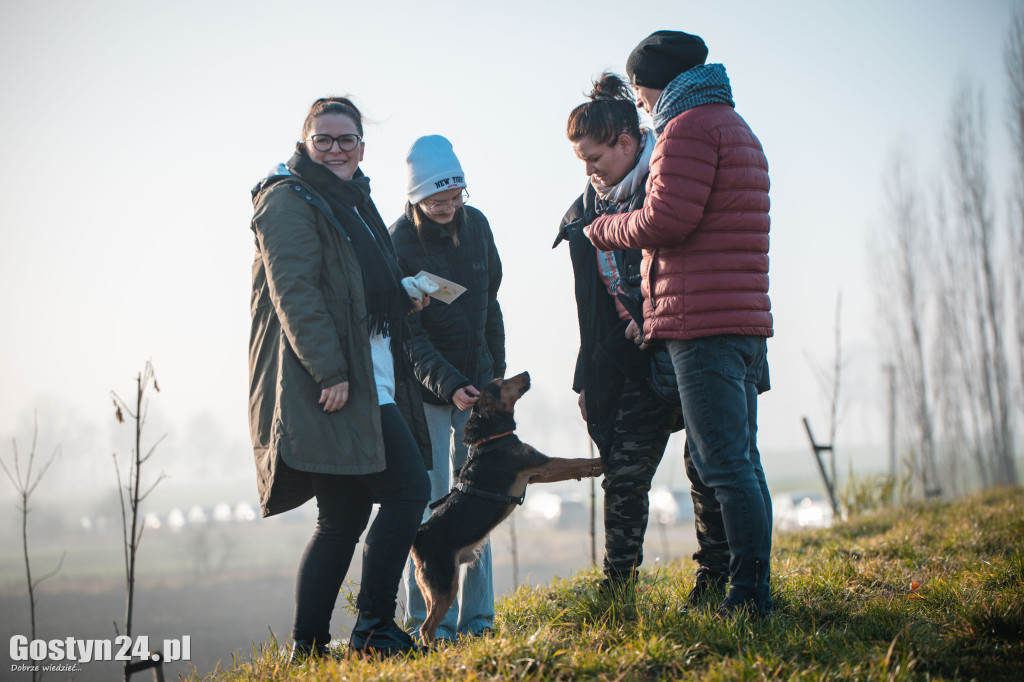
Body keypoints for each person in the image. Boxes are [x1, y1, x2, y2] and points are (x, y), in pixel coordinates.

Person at [584, 31, 774, 619]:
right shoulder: (734, 125)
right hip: (739, 318)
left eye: (641, 91)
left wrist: (604, 229)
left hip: (702, 321)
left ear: (654, 82)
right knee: (741, 460)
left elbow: (666, 219)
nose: (640, 104)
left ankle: (746, 597)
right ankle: (752, 588)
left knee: (723, 465)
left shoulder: (687, 127)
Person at [248, 96, 433, 659]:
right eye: (323, 139)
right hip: (331, 381)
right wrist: (329, 369)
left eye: (346, 139)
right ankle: (374, 627)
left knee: (344, 515)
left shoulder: (350, 199)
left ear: (360, 146)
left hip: (363, 369)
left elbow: (351, 286)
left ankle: (307, 648)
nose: (335, 149)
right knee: (409, 489)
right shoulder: (288, 201)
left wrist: (402, 298)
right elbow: (295, 294)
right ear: (305, 143)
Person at [554, 73, 712, 593]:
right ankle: (617, 589)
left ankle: (718, 581)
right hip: (632, 363)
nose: (589, 171)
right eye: (581, 161)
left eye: (595, 158)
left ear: (627, 142)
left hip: (693, 349)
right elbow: (590, 308)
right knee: (624, 475)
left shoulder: (670, 181)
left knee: (708, 470)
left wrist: (656, 322)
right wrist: (588, 378)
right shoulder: (586, 212)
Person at [390, 134, 505, 641]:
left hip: (479, 386)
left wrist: (492, 376)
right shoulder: (397, 242)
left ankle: (479, 624)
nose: (448, 208)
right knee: (432, 509)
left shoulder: (477, 225)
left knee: (482, 501)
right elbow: (408, 336)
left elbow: (491, 306)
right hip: (428, 396)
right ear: (416, 198)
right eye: (437, 200)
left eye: (456, 196)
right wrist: (450, 383)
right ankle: (429, 630)